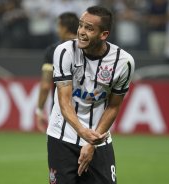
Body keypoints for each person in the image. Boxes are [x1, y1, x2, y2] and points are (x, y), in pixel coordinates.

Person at [47, 5, 135, 184]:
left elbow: (114, 106)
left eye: (89, 28)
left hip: (98, 137)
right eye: (80, 25)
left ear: (103, 35)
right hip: (62, 136)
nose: (81, 32)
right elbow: (64, 102)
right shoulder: (65, 52)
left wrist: (92, 142)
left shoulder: (123, 62)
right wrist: (82, 132)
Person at [35, 12, 79, 133]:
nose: (57, 30)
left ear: (64, 28)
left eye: (58, 26)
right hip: (86, 110)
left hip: (61, 110)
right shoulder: (88, 48)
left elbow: (45, 86)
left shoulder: (53, 51)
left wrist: (39, 110)